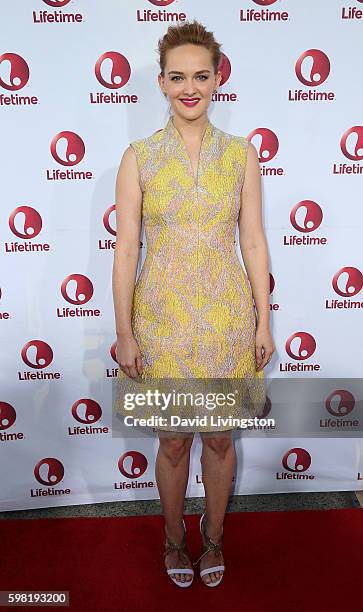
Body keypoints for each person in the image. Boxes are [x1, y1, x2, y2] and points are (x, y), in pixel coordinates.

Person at [112, 20, 275, 588]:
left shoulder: (241, 156)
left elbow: (252, 240)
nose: (190, 87)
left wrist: (263, 320)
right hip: (159, 321)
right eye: (178, 76)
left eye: (200, 76)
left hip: (228, 320)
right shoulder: (138, 157)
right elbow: (127, 249)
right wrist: (125, 332)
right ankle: (173, 540)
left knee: (220, 438)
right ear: (160, 83)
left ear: (216, 80)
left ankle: (214, 539)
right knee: (174, 438)